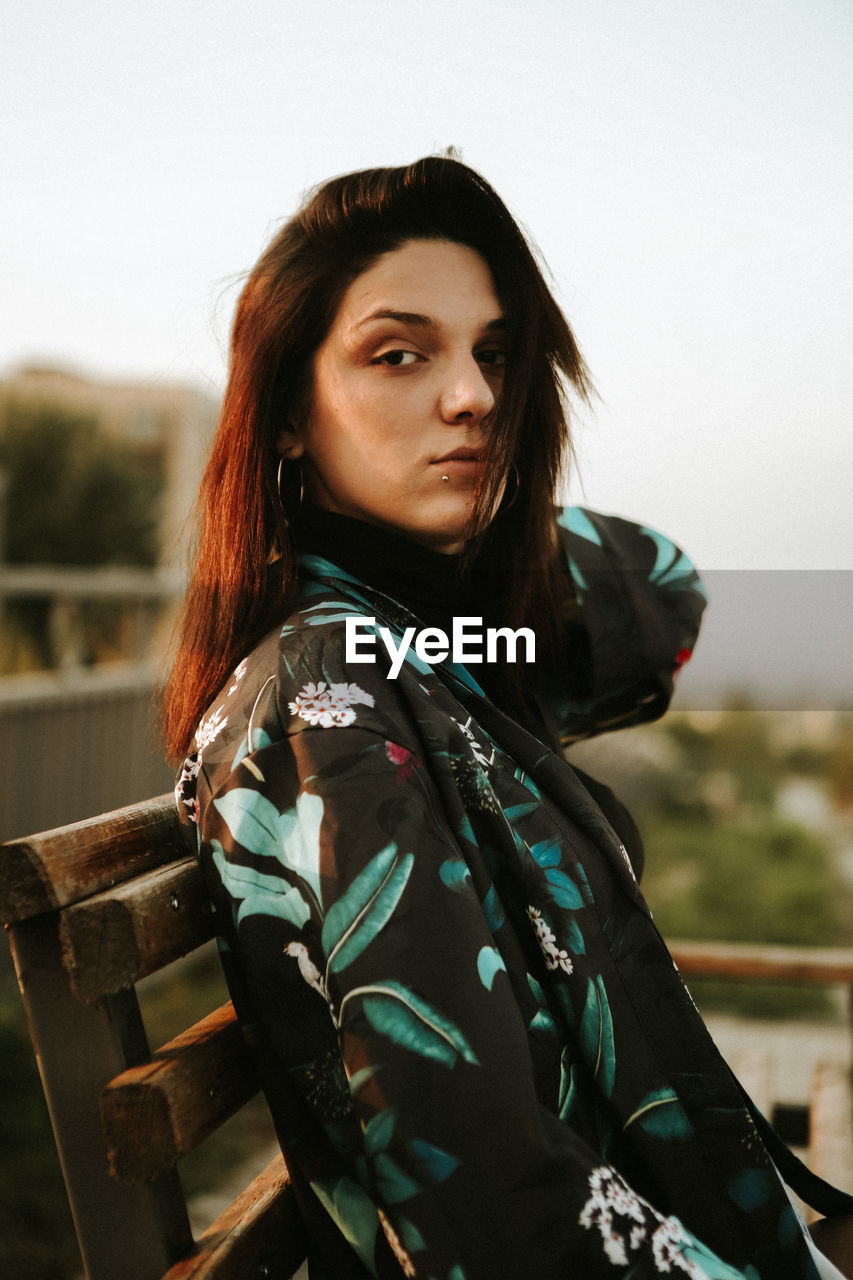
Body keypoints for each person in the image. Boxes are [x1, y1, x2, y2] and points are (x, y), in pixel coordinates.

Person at [162, 155, 853, 1279]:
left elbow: (663, 592)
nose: (475, 396)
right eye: (400, 353)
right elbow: (491, 1191)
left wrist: (488, 531)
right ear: (287, 409)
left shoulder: (436, 651)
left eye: (494, 354)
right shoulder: (330, 696)